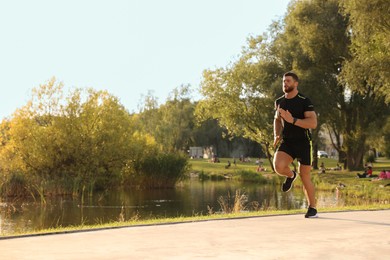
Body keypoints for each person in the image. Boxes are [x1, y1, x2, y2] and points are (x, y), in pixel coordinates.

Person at [273, 72, 318, 218]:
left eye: (288, 81)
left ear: (296, 83)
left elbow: (313, 123)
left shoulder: (304, 101)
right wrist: (277, 134)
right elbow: (277, 119)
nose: (285, 83)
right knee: (278, 166)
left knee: (305, 176)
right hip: (288, 141)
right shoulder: (279, 101)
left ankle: (312, 208)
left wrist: (292, 120)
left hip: (304, 143)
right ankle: (291, 175)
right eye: (283, 81)